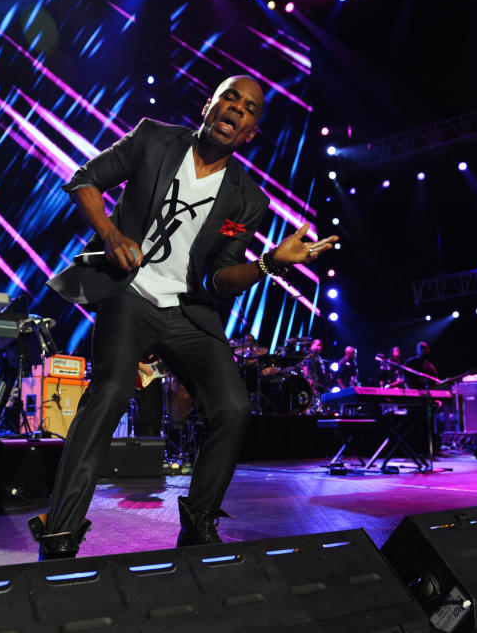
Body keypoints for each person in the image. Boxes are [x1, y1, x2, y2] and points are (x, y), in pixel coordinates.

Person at [28, 75, 337, 559]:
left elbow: (217, 281)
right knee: (108, 391)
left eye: (249, 108)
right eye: (228, 98)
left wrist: (271, 262)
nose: (236, 108)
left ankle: (198, 521)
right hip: (130, 292)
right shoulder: (154, 138)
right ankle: (62, 526)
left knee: (233, 407)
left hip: (187, 310)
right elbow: (84, 179)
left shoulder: (247, 200)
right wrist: (110, 234)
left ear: (251, 132)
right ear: (209, 107)